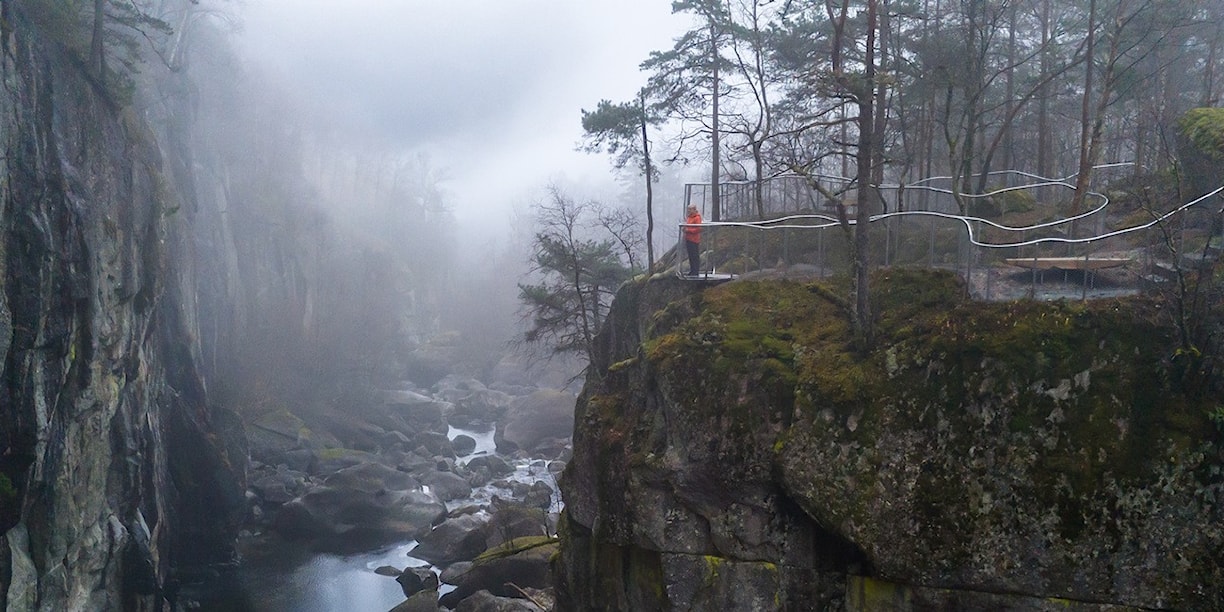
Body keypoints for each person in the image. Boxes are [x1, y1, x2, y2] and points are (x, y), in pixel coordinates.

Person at [684, 204, 702, 276]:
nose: (688, 211)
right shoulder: (689, 218)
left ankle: (695, 271)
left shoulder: (697, 218)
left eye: (690, 209)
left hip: (694, 239)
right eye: (688, 209)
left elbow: (698, 228)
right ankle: (692, 270)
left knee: (695, 256)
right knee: (691, 256)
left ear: (694, 209)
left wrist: (688, 230)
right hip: (688, 239)